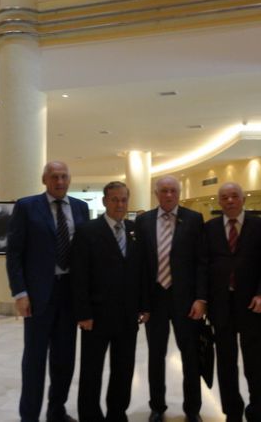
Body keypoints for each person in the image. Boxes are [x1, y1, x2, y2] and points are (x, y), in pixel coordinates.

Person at [6, 161, 90, 422]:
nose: (60, 181)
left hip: (69, 294)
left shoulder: (80, 207)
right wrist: (20, 292)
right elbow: (14, 253)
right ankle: (29, 416)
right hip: (38, 295)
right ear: (44, 180)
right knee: (34, 360)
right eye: (54, 176)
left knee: (64, 359)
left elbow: (85, 254)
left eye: (64, 176)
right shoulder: (27, 206)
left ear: (69, 179)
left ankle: (57, 410)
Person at [71, 181, 150, 422]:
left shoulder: (135, 231)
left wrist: (144, 305)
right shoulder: (87, 231)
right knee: (91, 370)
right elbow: (79, 275)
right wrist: (83, 313)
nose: (119, 204)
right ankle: (89, 415)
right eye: (114, 199)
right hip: (96, 316)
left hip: (127, 316)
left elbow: (142, 271)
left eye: (123, 199)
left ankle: (117, 413)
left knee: (123, 369)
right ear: (105, 201)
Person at [135, 175, 207, 422]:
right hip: (155, 299)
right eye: (164, 190)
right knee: (156, 356)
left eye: (173, 191)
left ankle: (193, 409)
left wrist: (201, 298)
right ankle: (157, 406)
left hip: (186, 300)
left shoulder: (194, 219)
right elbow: (140, 266)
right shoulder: (143, 221)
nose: (168, 195)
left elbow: (201, 262)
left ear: (179, 193)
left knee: (191, 356)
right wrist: (142, 303)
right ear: (156, 194)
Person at [205, 182, 261, 422]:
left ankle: (258, 413)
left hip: (252, 305)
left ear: (243, 199)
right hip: (221, 305)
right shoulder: (209, 228)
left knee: (256, 363)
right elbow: (204, 265)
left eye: (234, 196)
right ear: (219, 201)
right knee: (226, 363)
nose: (230, 200)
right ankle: (232, 411)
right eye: (224, 197)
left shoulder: (260, 226)